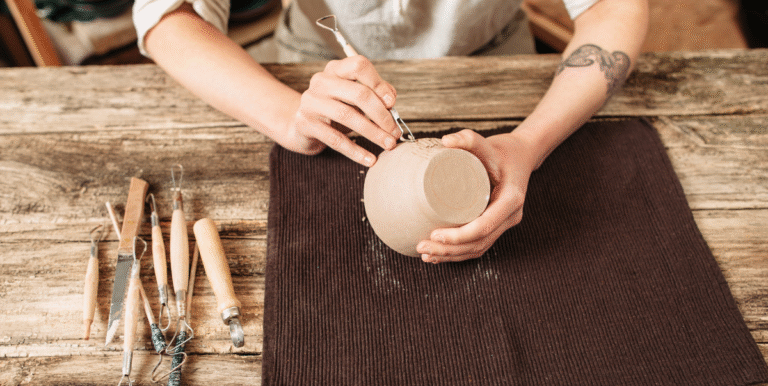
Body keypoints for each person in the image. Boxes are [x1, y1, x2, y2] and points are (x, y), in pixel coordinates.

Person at [133, 0, 649, 263]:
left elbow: (615, 8)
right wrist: (286, 113)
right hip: (317, 71)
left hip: (499, 65)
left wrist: (528, 144)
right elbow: (167, 18)